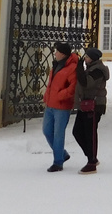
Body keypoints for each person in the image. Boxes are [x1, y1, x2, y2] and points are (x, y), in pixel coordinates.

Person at [42, 40, 79, 172]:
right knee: (46, 131)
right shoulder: (56, 65)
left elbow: (73, 88)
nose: (55, 53)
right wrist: (47, 96)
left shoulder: (72, 68)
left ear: (62, 54)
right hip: (50, 105)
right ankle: (62, 154)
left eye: (57, 51)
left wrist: (60, 95)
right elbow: (52, 84)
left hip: (62, 107)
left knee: (58, 134)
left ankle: (58, 162)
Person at [72, 47, 109, 174]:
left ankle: (91, 162)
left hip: (94, 106)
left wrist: (79, 68)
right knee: (77, 131)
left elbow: (86, 83)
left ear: (92, 58)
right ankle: (91, 156)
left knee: (90, 134)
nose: (85, 58)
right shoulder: (90, 69)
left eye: (87, 57)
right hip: (85, 105)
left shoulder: (98, 70)